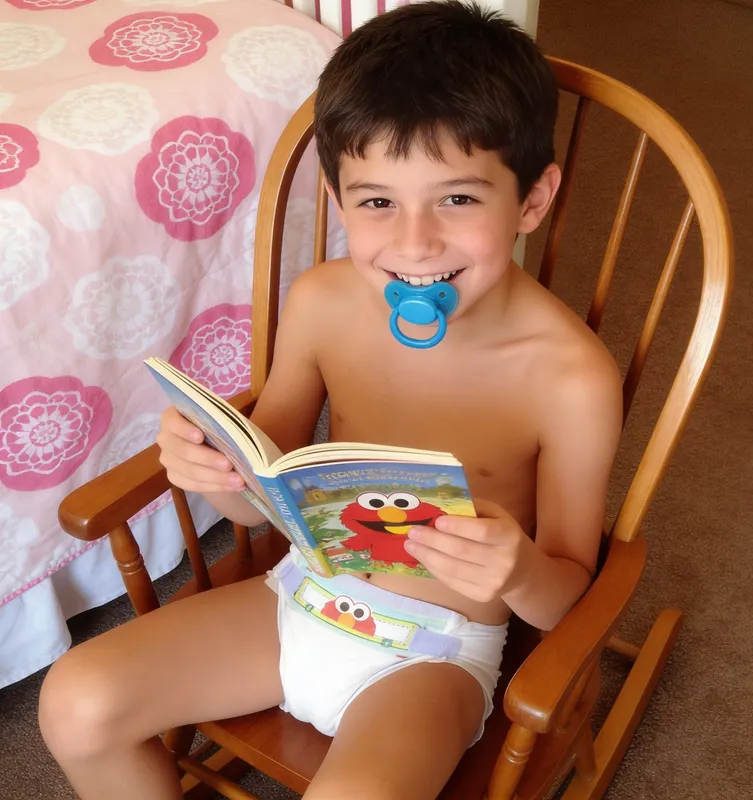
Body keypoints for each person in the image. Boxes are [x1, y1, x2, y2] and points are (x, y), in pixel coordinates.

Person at [38, 2, 622, 798]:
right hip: (296, 597)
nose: (414, 243)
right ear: (340, 200)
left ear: (531, 199)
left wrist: (518, 569)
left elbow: (564, 606)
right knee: (75, 702)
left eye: (457, 200)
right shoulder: (320, 302)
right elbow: (263, 500)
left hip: (432, 655)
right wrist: (219, 474)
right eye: (377, 201)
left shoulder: (570, 379)